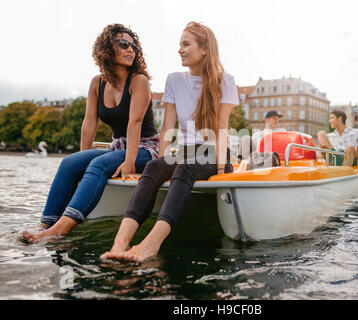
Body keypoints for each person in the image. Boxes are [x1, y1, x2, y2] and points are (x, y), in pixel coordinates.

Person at [100, 21, 239, 262]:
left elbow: (222, 126)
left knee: (185, 166)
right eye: (179, 44)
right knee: (154, 167)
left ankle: (151, 245)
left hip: (214, 152)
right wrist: (162, 161)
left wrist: (220, 170)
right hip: (185, 152)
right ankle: (120, 243)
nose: (180, 49)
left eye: (186, 44)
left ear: (205, 49)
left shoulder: (225, 81)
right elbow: (168, 126)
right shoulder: (174, 80)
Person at [22, 24, 159, 242]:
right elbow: (89, 122)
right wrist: (79, 160)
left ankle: (61, 229)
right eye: (123, 44)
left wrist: (130, 161)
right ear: (106, 49)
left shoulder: (138, 81)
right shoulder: (97, 83)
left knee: (98, 165)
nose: (130, 49)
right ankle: (47, 223)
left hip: (144, 148)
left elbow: (135, 123)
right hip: (118, 147)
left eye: (133, 46)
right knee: (68, 163)